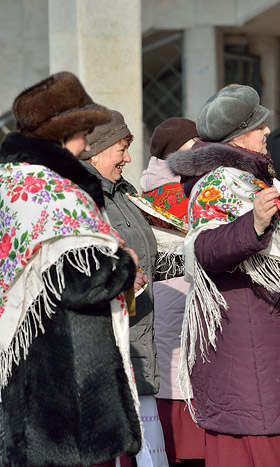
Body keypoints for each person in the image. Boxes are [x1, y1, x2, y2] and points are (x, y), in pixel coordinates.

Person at [166, 84, 280, 467]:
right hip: (247, 337)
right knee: (264, 447)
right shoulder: (217, 184)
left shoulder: (246, 178)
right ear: (240, 135)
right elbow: (205, 249)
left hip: (263, 334)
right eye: (260, 125)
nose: (268, 132)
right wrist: (255, 223)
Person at [0, 72, 141, 466]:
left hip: (22, 369)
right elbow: (79, 280)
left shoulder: (9, 182)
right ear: (64, 135)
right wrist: (123, 266)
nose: (86, 141)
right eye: (82, 131)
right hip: (65, 381)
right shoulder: (53, 191)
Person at [80, 110, 169, 467]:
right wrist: (119, 275)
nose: (129, 158)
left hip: (139, 337)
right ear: (96, 151)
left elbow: (149, 258)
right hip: (108, 344)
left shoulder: (123, 193)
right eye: (121, 148)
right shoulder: (82, 199)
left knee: (150, 451)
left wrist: (199, 257)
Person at [140, 117, 205, 465]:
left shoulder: (186, 182)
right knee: (176, 369)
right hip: (171, 291)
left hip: (187, 290)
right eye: (190, 142)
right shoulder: (164, 192)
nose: (197, 147)